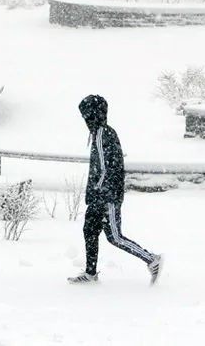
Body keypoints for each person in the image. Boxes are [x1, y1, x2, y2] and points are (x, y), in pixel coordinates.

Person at [69, 94, 163, 285]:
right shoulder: (98, 133)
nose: (84, 119)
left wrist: (99, 191)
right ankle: (90, 273)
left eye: (86, 115)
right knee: (89, 230)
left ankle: (152, 259)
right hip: (99, 196)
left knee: (115, 237)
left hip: (107, 196)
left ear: (93, 114)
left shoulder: (103, 133)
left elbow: (105, 168)